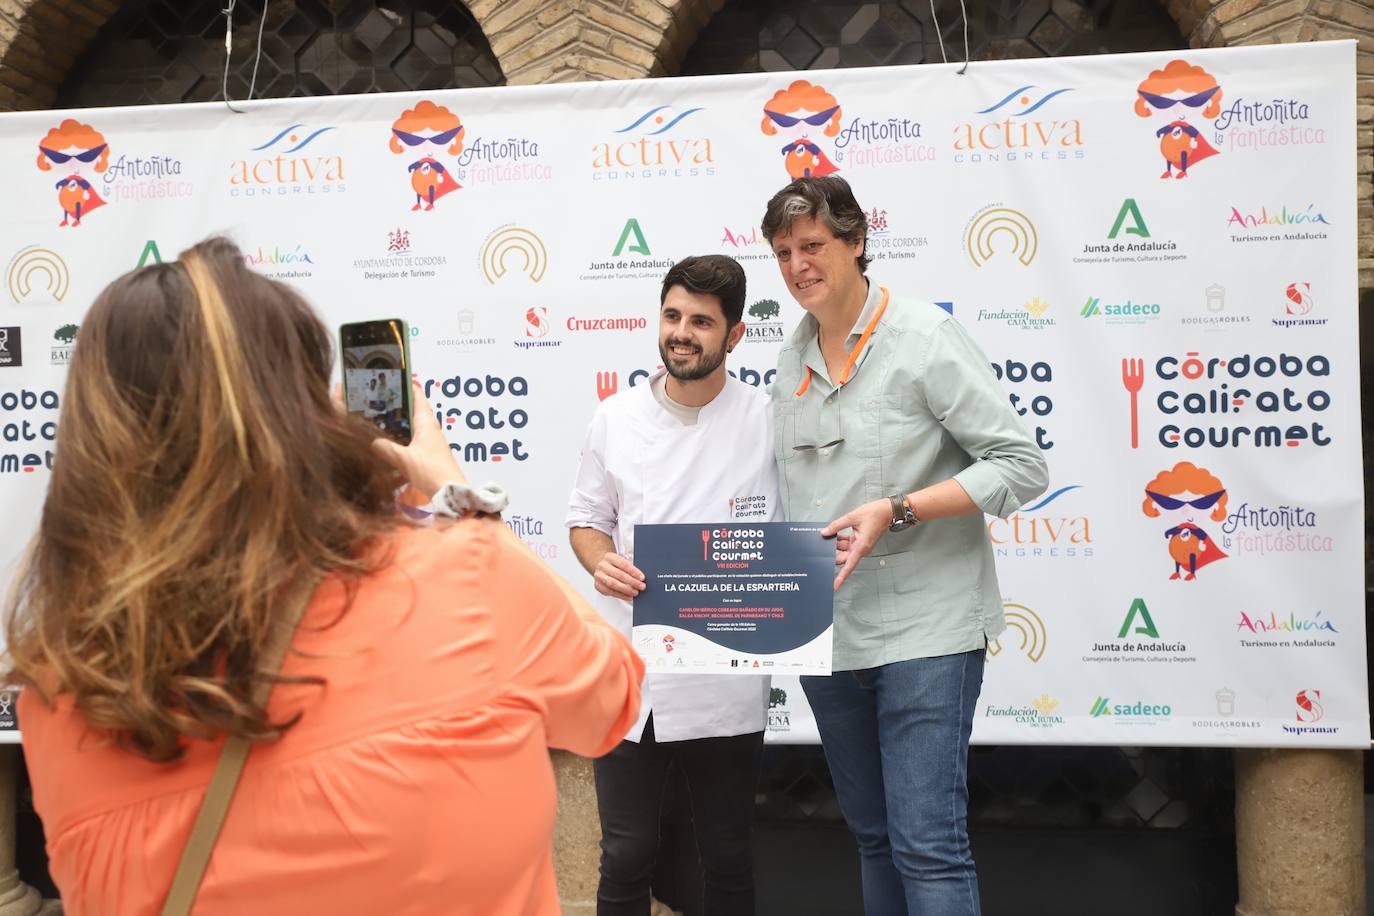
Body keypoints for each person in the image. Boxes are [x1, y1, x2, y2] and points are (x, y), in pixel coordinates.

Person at [5, 238, 643, 916]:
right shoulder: (466, 577)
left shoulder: (56, 699)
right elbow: (611, 699)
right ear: (300, 414)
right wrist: (458, 494)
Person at [760, 177, 1049, 916]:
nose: (798, 265)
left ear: (857, 242)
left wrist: (898, 509)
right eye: (785, 251)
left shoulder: (924, 335)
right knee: (874, 839)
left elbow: (1022, 467)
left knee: (928, 845)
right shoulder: (787, 363)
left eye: (814, 245)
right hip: (831, 638)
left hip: (928, 630)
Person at [566, 255, 778, 916]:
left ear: (735, 336)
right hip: (631, 671)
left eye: (702, 322)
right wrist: (599, 560)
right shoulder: (616, 416)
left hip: (724, 674)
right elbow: (585, 520)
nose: (682, 332)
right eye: (673, 315)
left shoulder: (770, 420)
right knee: (625, 852)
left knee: (727, 852)